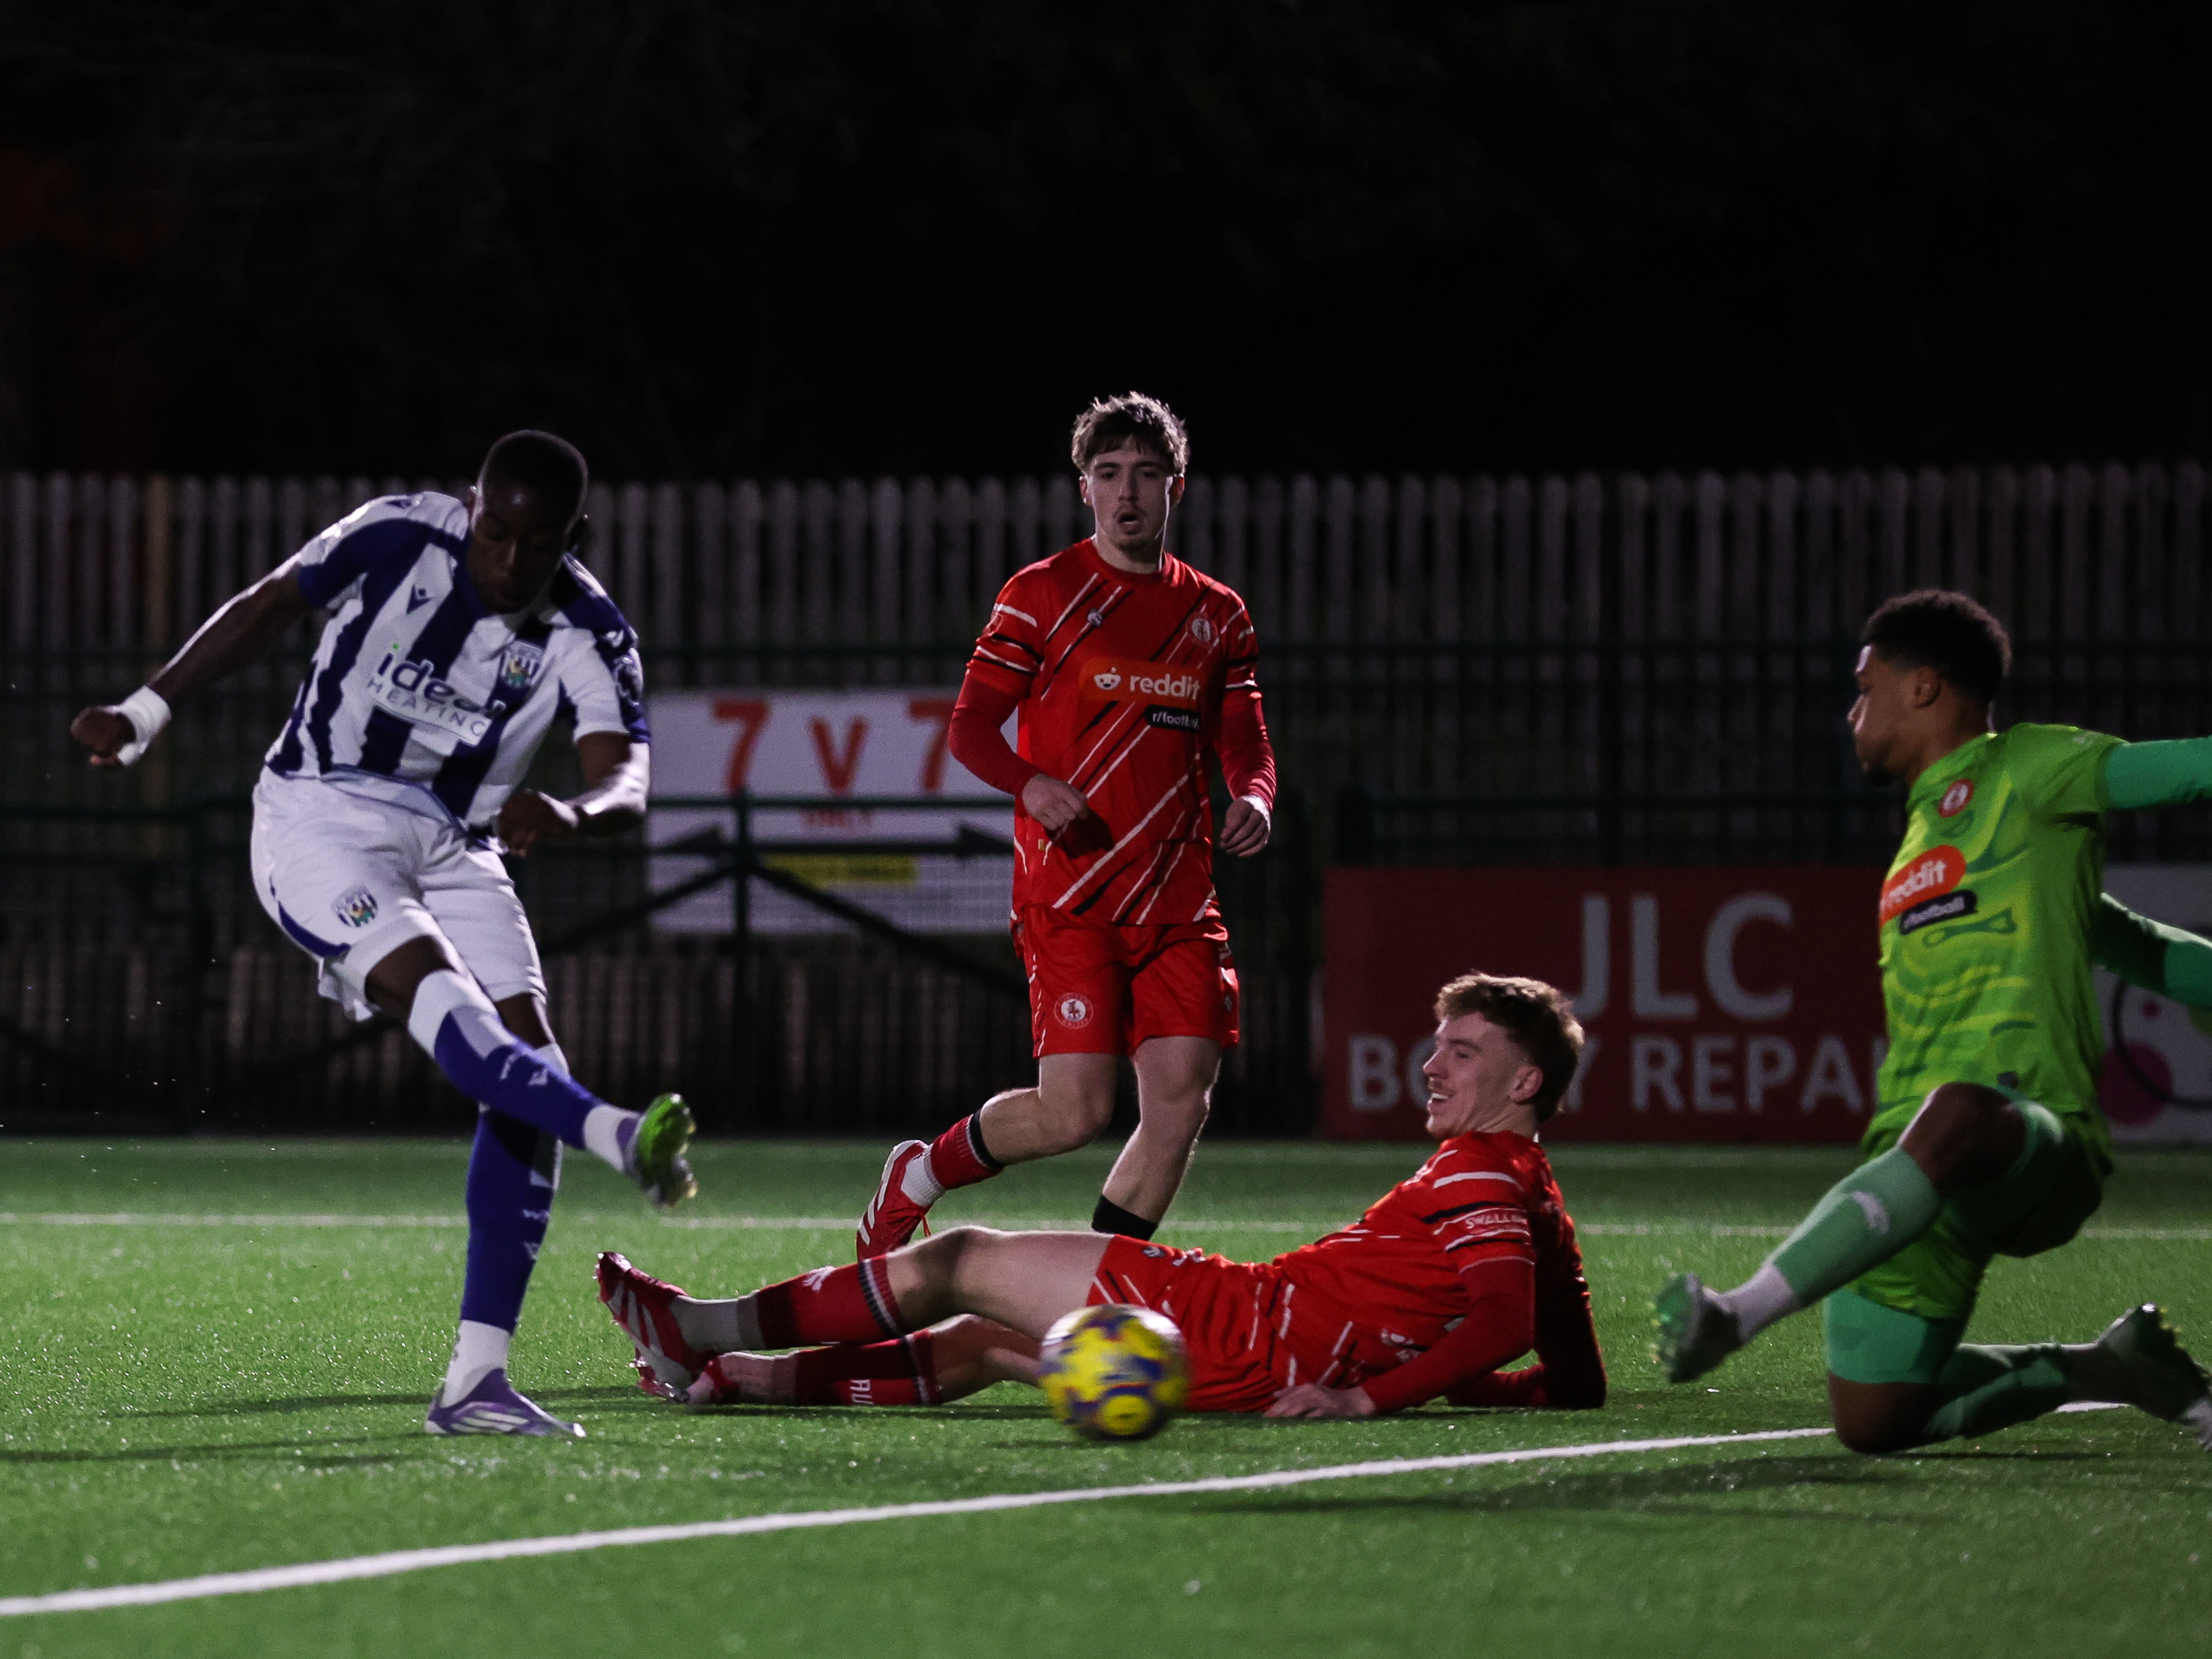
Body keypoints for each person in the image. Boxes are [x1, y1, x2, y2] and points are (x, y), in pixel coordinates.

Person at [70, 430, 698, 1439]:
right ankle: (615, 1134)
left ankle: (475, 1385)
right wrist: (147, 710)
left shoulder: (589, 628)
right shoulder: (399, 532)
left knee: (530, 1063)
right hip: (320, 814)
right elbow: (272, 601)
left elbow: (626, 775)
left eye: (536, 544)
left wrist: (573, 812)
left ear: (572, 536)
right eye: (494, 532)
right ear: (471, 505)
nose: (508, 559)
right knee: (446, 1001)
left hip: (459, 845)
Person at [1654, 589, 2212, 1453]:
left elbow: (2189, 767)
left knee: (1958, 1111)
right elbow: (2130, 943)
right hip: (1915, 1161)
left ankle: (1735, 1313)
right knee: (1876, 1422)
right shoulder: (1923, 841)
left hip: (2028, 1137)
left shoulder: (2028, 768)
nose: (1851, 712)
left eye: (1863, 688)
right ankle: (2109, 1366)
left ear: (1922, 687)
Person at [602, 973, 1606, 1418]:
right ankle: (733, 1377)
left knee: (961, 1261)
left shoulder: (1479, 1169)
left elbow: (1500, 1322)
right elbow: (1571, 1380)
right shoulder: (1533, 1192)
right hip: (1255, 1343)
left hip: (1238, 1325)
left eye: (1462, 1052)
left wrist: (1365, 1395)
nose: (1431, 1065)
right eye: (1437, 1045)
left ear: (1524, 1082)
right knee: (983, 1344)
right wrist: (1433, 1385)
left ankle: (697, 1327)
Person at [854, 392, 1277, 1256]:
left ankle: (1102, 1285)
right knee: (1073, 1113)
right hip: (1072, 893)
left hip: (1178, 900)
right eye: (1109, 474)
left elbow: (1245, 740)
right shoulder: (1042, 593)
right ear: (1084, 488)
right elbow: (971, 728)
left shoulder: (1217, 613)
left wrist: (1257, 796)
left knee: (1179, 1102)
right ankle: (921, 1175)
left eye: (1146, 475)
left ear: (1176, 488)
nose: (1128, 492)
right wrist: (1031, 784)